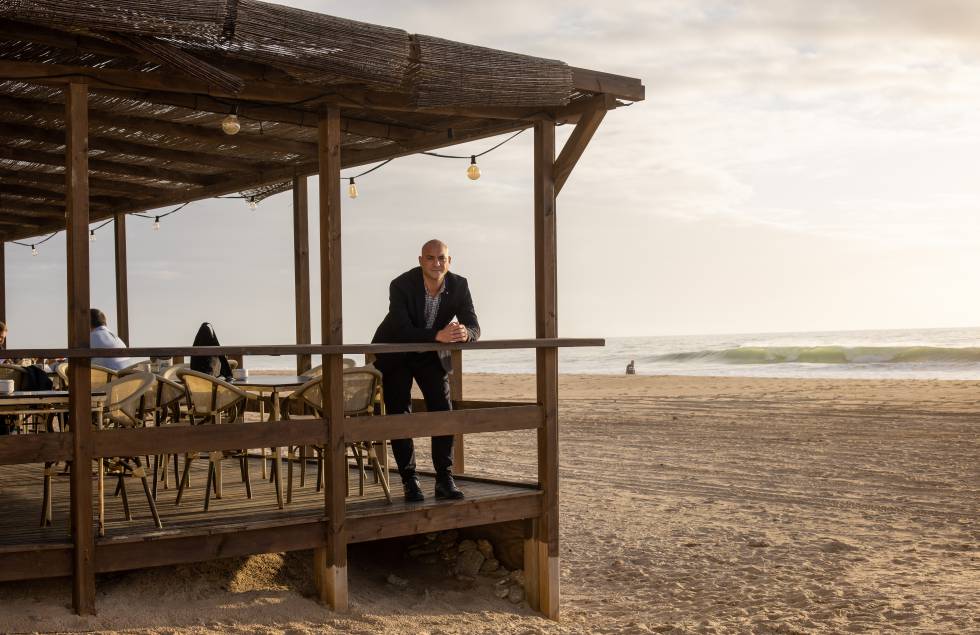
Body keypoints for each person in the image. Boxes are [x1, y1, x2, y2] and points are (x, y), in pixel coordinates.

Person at [372, 239, 480, 502]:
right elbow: (402, 328)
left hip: (430, 353)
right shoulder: (401, 284)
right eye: (430, 258)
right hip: (395, 351)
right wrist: (438, 335)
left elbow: (475, 326)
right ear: (421, 260)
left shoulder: (459, 285)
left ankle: (445, 479)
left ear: (449, 261)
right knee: (400, 415)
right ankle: (410, 481)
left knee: (443, 412)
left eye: (441, 258)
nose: (436, 263)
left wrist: (466, 333)